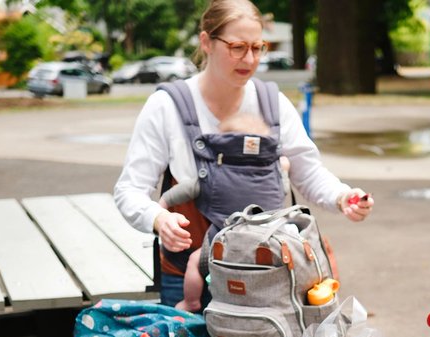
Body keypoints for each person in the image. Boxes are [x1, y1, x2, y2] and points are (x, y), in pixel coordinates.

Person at [113, 0, 373, 309]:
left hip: (270, 276)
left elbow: (307, 171)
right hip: (190, 276)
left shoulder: (272, 103)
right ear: (206, 42)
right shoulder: (167, 106)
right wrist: (158, 218)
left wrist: (343, 197)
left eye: (257, 47)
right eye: (237, 47)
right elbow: (129, 190)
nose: (249, 59)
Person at [154, 111, 291, 311]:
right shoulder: (274, 176)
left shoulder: (215, 174)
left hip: (223, 242)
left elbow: (187, 189)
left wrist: (162, 204)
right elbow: (284, 191)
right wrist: (284, 170)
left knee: (194, 263)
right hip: (267, 242)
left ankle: (190, 302)